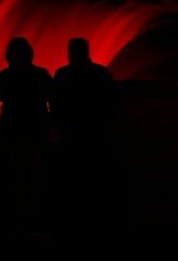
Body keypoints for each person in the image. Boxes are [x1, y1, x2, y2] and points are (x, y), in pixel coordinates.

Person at [53, 37, 114, 238]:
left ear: (70, 52)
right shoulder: (102, 73)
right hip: (94, 135)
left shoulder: (62, 75)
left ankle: (71, 225)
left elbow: (56, 106)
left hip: (71, 135)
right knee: (93, 183)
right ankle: (94, 224)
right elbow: (108, 104)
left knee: (72, 183)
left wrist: (57, 128)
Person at [0, 37, 52, 236]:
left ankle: (17, 219)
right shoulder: (41, 74)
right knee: (36, 174)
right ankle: (36, 219)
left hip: (12, 129)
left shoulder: (4, 76)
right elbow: (52, 96)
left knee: (15, 174)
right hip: (36, 128)